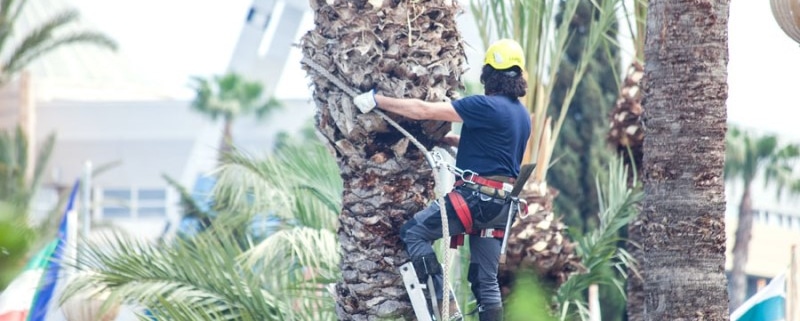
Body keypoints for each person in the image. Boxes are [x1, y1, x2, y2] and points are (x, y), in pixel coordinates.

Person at [353, 39, 531, 321]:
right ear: (518, 75)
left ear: (488, 75)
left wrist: (377, 100)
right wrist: (449, 140)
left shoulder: (484, 105)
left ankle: (444, 306)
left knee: (413, 233)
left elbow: (424, 110)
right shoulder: (522, 115)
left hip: (474, 200)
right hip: (501, 209)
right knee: (487, 284)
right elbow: (496, 149)